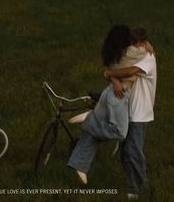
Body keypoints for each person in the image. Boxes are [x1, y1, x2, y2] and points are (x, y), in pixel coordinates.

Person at [67, 26, 154, 189]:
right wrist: (148, 45)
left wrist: (110, 76)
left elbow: (110, 72)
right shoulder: (139, 53)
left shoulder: (116, 54)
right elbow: (132, 70)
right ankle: (91, 119)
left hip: (110, 94)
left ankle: (79, 163)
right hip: (120, 98)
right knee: (120, 132)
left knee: (96, 136)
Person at [105, 29, 157, 199]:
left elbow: (128, 72)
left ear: (144, 42)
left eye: (139, 42)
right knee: (125, 152)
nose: (136, 46)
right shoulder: (132, 54)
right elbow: (116, 67)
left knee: (133, 150)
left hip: (139, 113)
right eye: (132, 42)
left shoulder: (148, 58)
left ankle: (143, 187)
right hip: (125, 110)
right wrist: (112, 78)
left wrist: (109, 74)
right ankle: (133, 187)